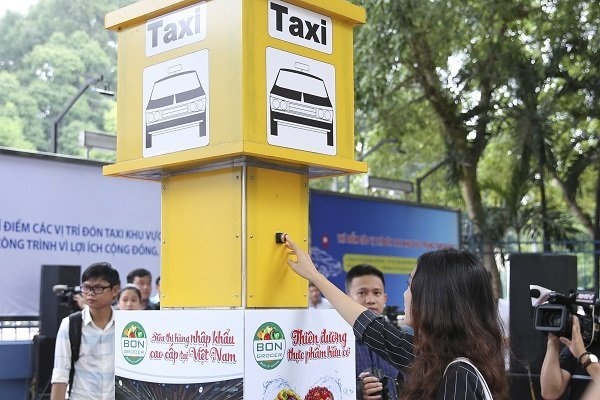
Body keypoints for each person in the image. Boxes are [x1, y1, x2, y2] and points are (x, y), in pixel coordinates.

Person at [284, 235, 508, 400]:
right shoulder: (434, 358)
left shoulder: (458, 374)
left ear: (434, 299)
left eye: (410, 285)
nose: (405, 294)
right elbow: (372, 329)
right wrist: (314, 276)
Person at [50, 262, 120, 400]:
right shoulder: (70, 324)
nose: (90, 293)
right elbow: (60, 374)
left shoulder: (126, 326)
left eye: (98, 288)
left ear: (115, 290)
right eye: (86, 287)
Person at [346, 264, 403, 400]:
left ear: (385, 298)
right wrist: (357, 392)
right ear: (347, 298)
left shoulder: (398, 339)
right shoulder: (337, 344)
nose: (370, 300)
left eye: (377, 293)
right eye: (362, 293)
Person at [540, 315, 600, 399]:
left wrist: (582, 355)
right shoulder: (578, 348)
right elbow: (550, 393)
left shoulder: (580, 351)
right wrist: (553, 342)